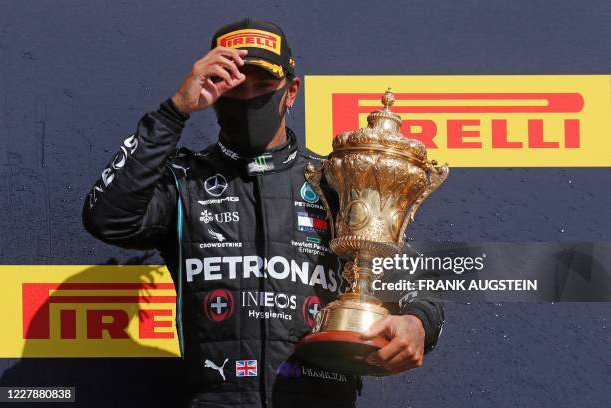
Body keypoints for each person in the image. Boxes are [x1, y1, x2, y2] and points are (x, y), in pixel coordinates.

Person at [82, 18, 445, 408]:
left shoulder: (337, 180)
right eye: (234, 85)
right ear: (214, 91)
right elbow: (107, 217)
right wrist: (175, 111)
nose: (248, 96)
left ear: (291, 92)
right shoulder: (185, 182)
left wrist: (418, 322)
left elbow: (412, 286)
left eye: (262, 86)